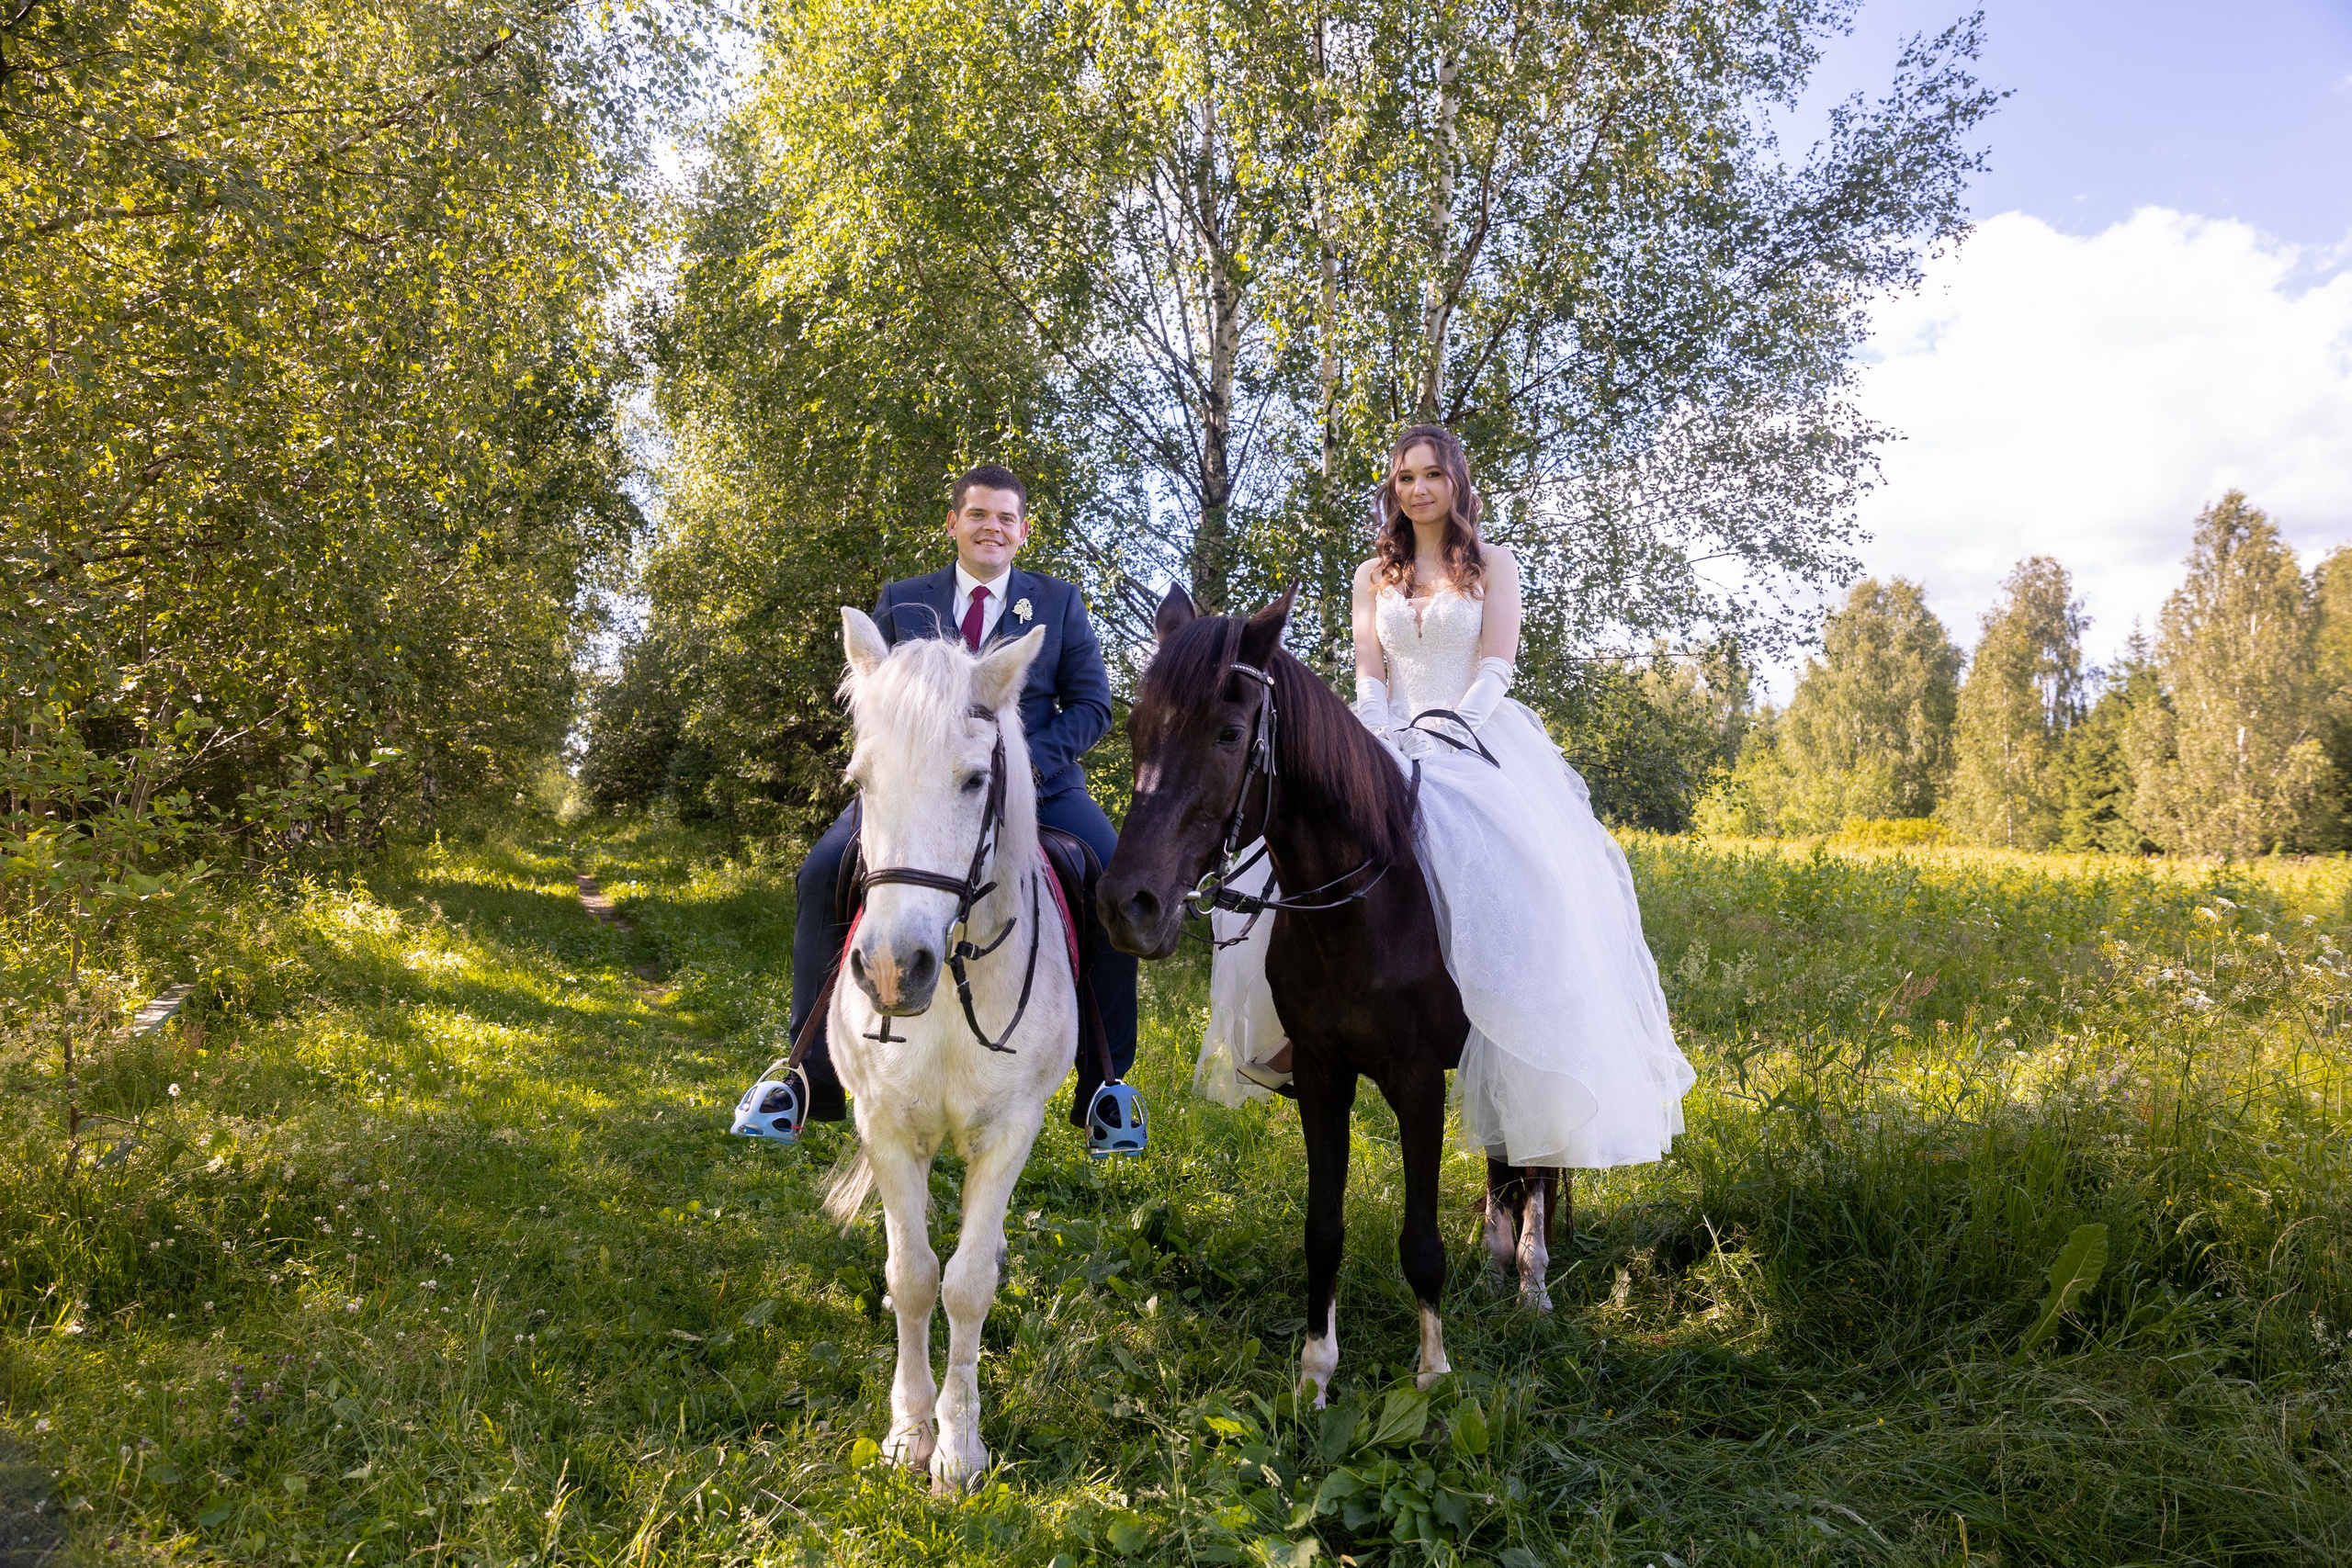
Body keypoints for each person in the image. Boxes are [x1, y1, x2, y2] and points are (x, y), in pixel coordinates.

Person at [1196, 425, 1694, 1170]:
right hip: (1387, 743)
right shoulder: (1375, 575)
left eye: (1433, 475)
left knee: (1518, 870)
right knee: (1298, 855)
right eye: (1405, 478)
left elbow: (1497, 665)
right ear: (1393, 491)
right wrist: (1375, 744)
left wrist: (1447, 732)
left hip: (1475, 739)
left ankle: (1520, 1010)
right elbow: (1369, 674)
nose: (1419, 489)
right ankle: (1303, 1027)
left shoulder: (1493, 564)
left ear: (1457, 483)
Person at [788, 464, 1139, 1127]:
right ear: (953, 523)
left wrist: (1021, 765)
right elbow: (876, 702)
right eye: (978, 514)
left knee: (1111, 881)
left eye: (1007, 518)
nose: (992, 527)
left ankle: (1106, 1085)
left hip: (1037, 787)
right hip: (918, 787)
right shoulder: (903, 598)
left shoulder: (1059, 603)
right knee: (820, 872)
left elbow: (1093, 704)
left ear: (1024, 532)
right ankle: (806, 1079)